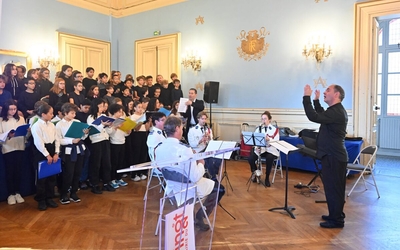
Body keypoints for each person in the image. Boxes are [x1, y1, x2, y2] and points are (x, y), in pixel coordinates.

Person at [155, 116, 225, 231]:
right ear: (177, 128)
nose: (182, 130)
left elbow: (159, 169)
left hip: (171, 188)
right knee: (220, 189)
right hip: (187, 189)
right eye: (182, 128)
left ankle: (191, 215)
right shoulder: (184, 149)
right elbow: (195, 177)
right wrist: (201, 163)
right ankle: (199, 217)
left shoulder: (159, 148)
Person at [303, 84, 348, 229]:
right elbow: (321, 116)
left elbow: (313, 116)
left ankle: (337, 221)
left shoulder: (336, 112)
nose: (324, 92)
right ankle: (335, 215)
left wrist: (307, 97)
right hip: (332, 155)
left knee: (334, 189)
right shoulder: (335, 111)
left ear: (336, 95)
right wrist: (316, 101)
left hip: (334, 156)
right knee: (332, 189)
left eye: (328, 90)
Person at [56, 103, 88, 204]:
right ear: (65, 113)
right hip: (68, 151)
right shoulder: (59, 124)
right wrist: (70, 141)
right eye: (72, 113)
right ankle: (64, 194)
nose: (74, 115)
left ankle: (74, 192)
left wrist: (85, 134)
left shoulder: (77, 122)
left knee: (77, 172)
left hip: (79, 149)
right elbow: (58, 140)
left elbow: (81, 137)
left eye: (75, 113)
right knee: (68, 173)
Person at [31, 103, 60, 211]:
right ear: (43, 114)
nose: (52, 115)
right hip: (41, 152)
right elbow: (39, 142)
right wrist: (47, 155)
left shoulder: (52, 125)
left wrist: (56, 152)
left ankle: (49, 197)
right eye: (50, 113)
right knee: (41, 178)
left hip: (52, 150)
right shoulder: (36, 126)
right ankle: (41, 199)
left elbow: (57, 139)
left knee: (52, 177)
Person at [0, 100, 27, 205]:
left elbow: (24, 134)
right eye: (10, 109)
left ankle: (17, 192)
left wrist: (27, 132)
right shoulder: (2, 120)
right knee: (10, 172)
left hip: (19, 146)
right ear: (6, 109)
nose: (13, 111)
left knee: (18, 171)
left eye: (14, 109)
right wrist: (8, 135)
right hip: (8, 147)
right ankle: (10, 194)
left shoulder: (20, 118)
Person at [87, 98, 115, 194]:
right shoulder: (91, 117)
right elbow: (92, 131)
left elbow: (108, 132)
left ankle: (107, 182)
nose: (103, 107)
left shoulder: (103, 116)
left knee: (107, 163)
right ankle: (94, 184)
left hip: (105, 140)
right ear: (97, 105)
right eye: (102, 105)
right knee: (96, 164)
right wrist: (102, 125)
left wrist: (110, 126)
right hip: (96, 142)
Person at [247, 111, 280, 187]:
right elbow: (254, 140)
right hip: (261, 150)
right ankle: (255, 173)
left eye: (265, 119)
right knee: (251, 158)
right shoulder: (258, 129)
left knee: (269, 158)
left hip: (270, 150)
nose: (263, 121)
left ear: (269, 120)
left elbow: (276, 141)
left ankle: (267, 178)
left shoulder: (274, 130)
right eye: (262, 119)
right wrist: (256, 147)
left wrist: (269, 140)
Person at [188, 111, 222, 178]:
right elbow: (192, 144)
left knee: (219, 158)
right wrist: (200, 140)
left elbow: (211, 142)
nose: (204, 121)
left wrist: (209, 138)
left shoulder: (208, 129)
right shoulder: (192, 130)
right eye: (202, 119)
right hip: (198, 151)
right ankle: (213, 177)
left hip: (206, 149)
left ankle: (214, 173)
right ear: (198, 119)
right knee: (209, 159)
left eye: (205, 119)